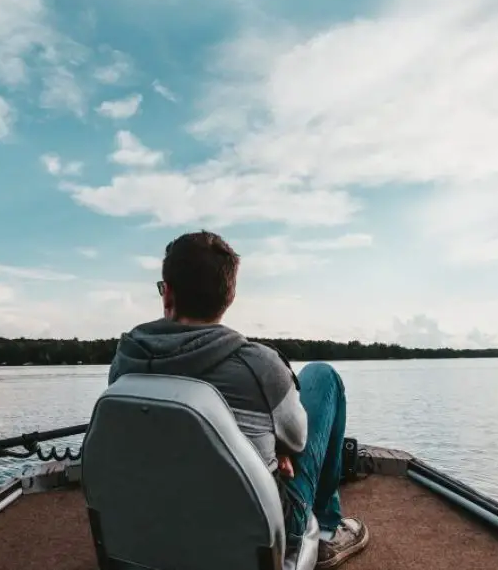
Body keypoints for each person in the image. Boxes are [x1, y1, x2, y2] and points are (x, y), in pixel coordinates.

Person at [108, 230, 370, 569]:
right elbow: (299, 439)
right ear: (228, 296)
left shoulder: (124, 363)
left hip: (154, 522)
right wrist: (279, 446)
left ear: (167, 293)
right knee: (321, 377)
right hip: (260, 530)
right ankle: (325, 532)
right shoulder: (260, 365)